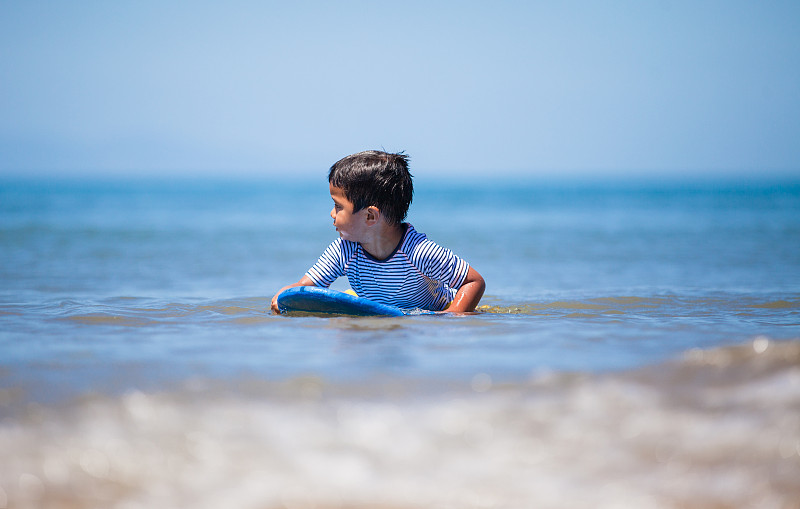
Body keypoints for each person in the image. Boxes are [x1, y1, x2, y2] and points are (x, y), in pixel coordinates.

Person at [270, 150, 485, 314]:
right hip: (382, 309)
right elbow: (306, 286)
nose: (331, 214)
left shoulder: (418, 252)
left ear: (370, 216)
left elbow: (473, 281)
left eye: (338, 207)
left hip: (433, 309)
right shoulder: (344, 250)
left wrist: (450, 319)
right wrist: (286, 294)